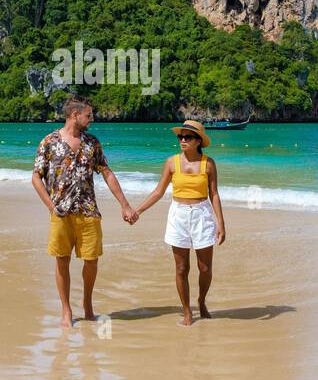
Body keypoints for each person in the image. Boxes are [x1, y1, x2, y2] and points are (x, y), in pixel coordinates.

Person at [31, 96, 137, 328]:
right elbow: (36, 177)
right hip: (61, 212)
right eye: (89, 115)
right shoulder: (49, 142)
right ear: (74, 115)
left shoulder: (92, 143)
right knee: (62, 260)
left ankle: (87, 303)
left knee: (91, 260)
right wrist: (51, 207)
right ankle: (66, 310)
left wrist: (125, 204)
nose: (92, 118)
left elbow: (107, 173)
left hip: (88, 210)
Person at [134, 119, 227, 326]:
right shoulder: (171, 162)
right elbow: (159, 191)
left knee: (205, 268)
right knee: (181, 268)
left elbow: (214, 194)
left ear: (198, 141)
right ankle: (187, 311)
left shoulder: (208, 163)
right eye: (181, 136)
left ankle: (201, 301)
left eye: (188, 137)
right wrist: (138, 210)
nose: (183, 140)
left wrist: (221, 223)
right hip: (178, 215)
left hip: (202, 214)